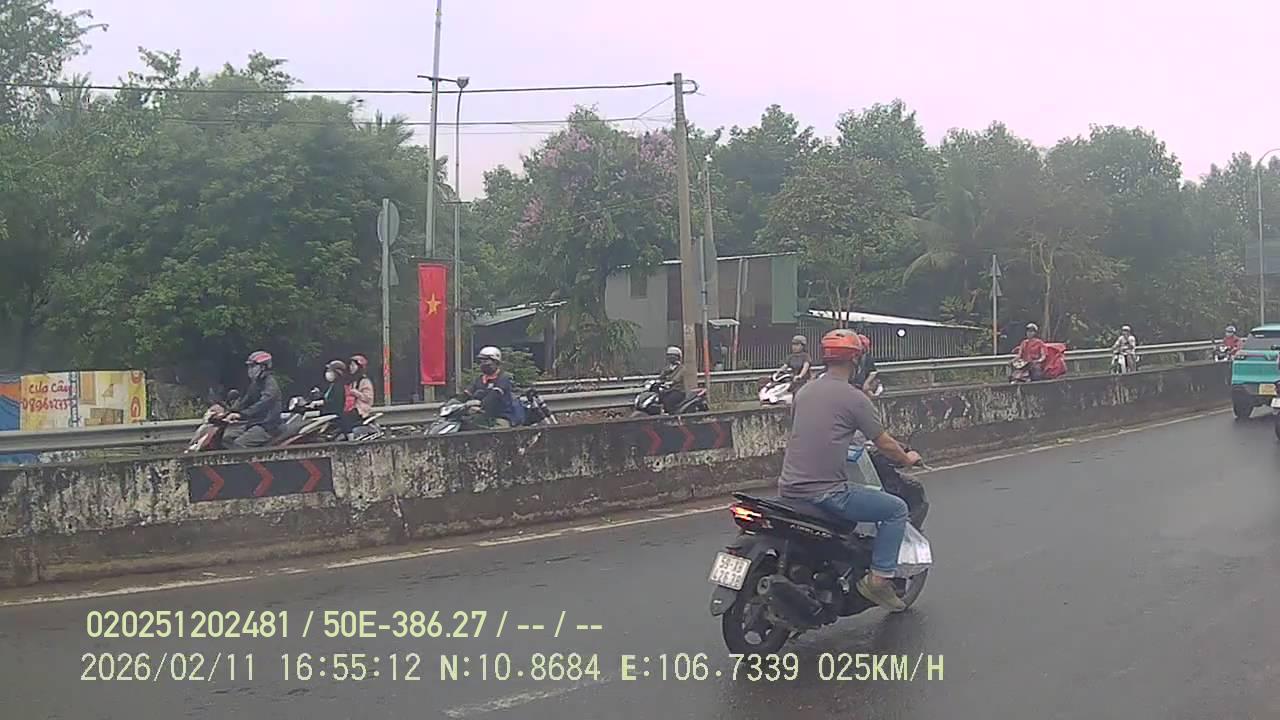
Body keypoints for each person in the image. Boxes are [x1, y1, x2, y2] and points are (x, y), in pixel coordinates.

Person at [779, 329, 922, 611]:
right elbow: (884, 443)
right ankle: (878, 580)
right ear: (855, 360)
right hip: (827, 493)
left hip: (789, 489)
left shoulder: (804, 392)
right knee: (896, 509)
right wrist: (907, 459)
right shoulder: (854, 398)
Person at [222, 350, 283, 449]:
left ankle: (245, 460)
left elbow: (262, 404)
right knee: (227, 438)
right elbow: (245, 401)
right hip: (254, 423)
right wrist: (228, 412)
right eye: (249, 367)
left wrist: (241, 414)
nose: (250, 370)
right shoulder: (255, 384)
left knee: (238, 444)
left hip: (267, 426)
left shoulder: (270, 385)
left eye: (253, 366)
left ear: (263, 367)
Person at [464, 346, 523, 428]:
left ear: (496, 362)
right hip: (482, 416)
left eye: (486, 361)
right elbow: (466, 393)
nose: (483, 364)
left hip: (500, 417)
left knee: (497, 432)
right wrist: (452, 404)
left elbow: (494, 396)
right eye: (481, 361)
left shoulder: (503, 378)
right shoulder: (479, 379)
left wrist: (480, 404)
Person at [320, 359, 360, 435]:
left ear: (338, 373)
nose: (328, 373)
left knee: (346, 428)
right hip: (330, 415)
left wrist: (322, 402)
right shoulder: (331, 385)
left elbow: (337, 401)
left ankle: (351, 440)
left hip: (338, 415)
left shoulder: (339, 386)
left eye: (330, 371)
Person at [657, 346, 688, 414]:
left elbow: (677, 378)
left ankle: (672, 416)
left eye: (672, 355)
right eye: (669, 355)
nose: (670, 357)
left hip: (678, 391)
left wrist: (670, 382)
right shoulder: (668, 368)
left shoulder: (681, 368)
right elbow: (661, 377)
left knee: (668, 401)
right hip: (667, 390)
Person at [348, 354, 375, 418]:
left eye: (353, 365)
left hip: (361, 412)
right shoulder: (351, 381)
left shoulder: (365, 381)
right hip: (351, 410)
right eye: (350, 365)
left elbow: (369, 398)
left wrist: (356, 393)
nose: (351, 367)